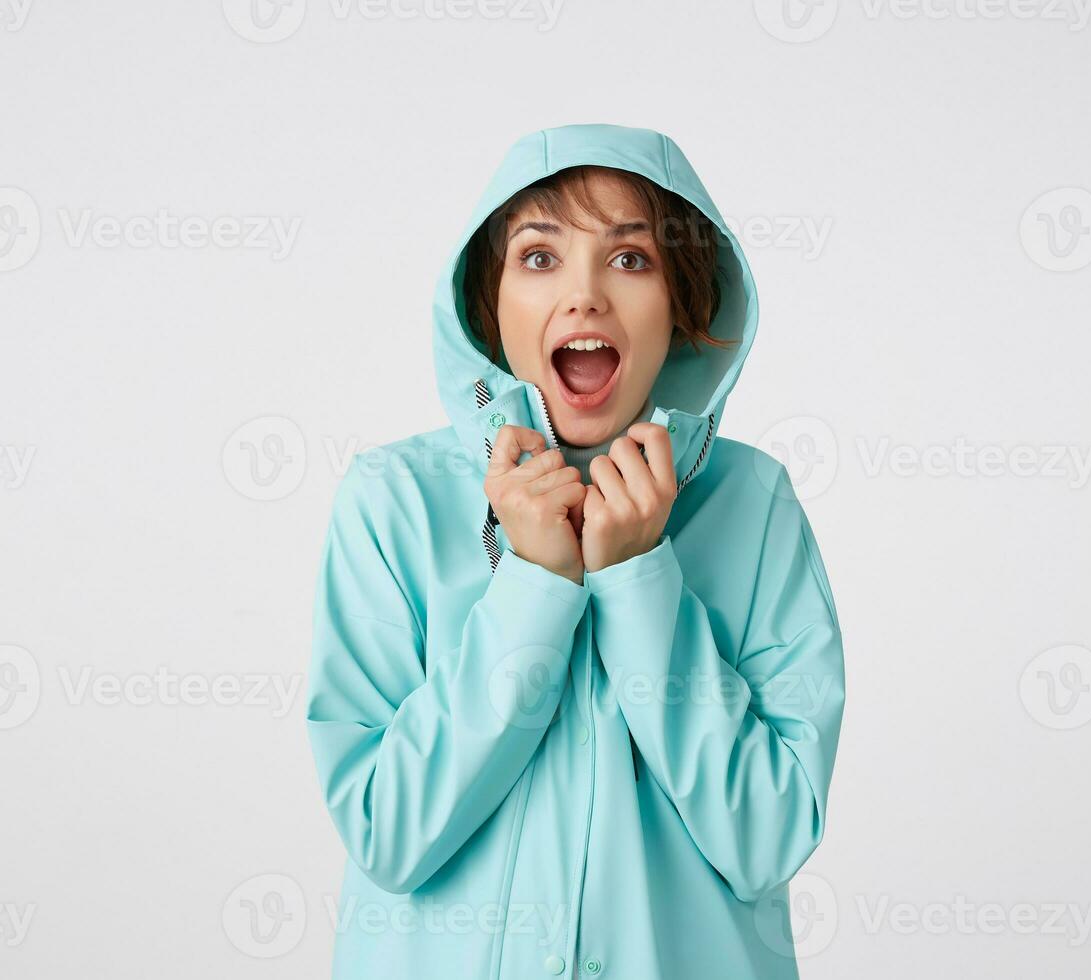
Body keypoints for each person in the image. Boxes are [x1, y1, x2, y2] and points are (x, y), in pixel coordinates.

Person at [305, 122, 845, 980]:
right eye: (539, 257)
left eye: (631, 259)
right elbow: (389, 836)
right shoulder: (391, 500)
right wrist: (532, 584)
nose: (585, 297)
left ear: (684, 305)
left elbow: (766, 840)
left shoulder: (756, 506)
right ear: (489, 303)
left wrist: (638, 578)